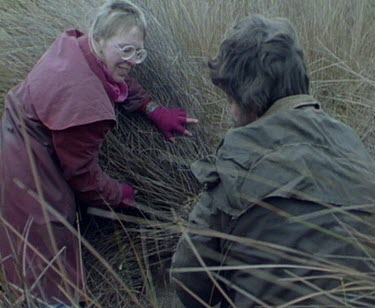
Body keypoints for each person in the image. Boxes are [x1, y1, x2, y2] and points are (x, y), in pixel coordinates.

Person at [0, 0, 197, 306]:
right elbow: (83, 177)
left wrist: (153, 109)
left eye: (139, 52)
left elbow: (116, 79)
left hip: (12, 138)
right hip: (26, 170)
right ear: (100, 38)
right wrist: (122, 194)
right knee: (48, 261)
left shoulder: (78, 47)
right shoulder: (86, 104)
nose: (132, 60)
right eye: (125, 49)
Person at [170, 15, 375, 307]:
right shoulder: (352, 143)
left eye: (229, 98)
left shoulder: (239, 154)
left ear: (248, 97)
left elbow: (189, 279)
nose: (230, 111)